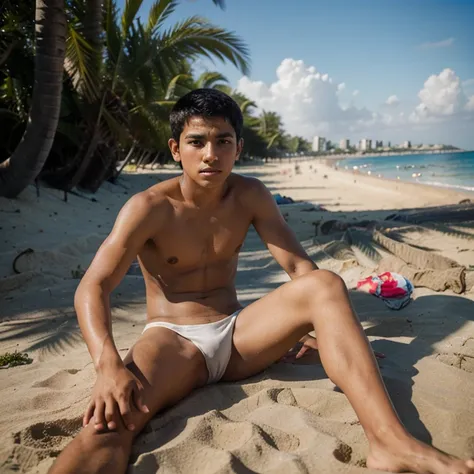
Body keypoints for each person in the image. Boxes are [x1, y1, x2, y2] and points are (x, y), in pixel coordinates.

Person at [50, 89, 474, 474]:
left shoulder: (251, 195)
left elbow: (300, 271)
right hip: (173, 341)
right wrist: (107, 365)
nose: (210, 154)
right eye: (197, 142)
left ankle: (390, 442)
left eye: (223, 141)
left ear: (238, 148)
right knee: (111, 421)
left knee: (326, 284)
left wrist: (330, 333)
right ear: (176, 150)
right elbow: (93, 286)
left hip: (240, 338)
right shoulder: (149, 207)